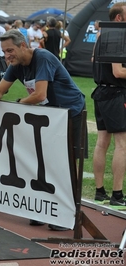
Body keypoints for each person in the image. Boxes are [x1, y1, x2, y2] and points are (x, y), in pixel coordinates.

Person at [0, 29, 86, 231]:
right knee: (43, 161)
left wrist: (19, 103)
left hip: (71, 112)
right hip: (50, 115)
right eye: (4, 52)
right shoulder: (16, 65)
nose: (7, 56)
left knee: (66, 162)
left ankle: (68, 214)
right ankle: (44, 209)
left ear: (23, 45)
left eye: (10, 50)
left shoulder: (43, 57)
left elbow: (39, 95)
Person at [91, 2, 126, 208]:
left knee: (102, 143)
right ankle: (117, 194)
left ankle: (100, 191)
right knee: (122, 145)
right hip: (114, 92)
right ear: (119, 18)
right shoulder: (116, 35)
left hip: (103, 92)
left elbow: (94, 59)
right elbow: (119, 72)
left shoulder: (101, 34)